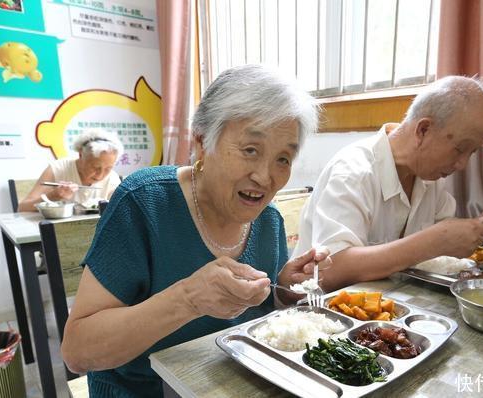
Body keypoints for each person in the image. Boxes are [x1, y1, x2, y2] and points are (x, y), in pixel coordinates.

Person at [61, 65, 328, 397]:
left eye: (283, 159)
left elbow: (256, 320)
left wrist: (283, 291)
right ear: (202, 142)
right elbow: (77, 351)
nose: (265, 176)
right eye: (250, 150)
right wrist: (188, 298)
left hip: (228, 385)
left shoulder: (268, 221)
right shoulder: (143, 203)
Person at [293, 75, 483, 292]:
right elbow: (330, 271)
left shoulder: (428, 179)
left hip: (390, 307)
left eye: (471, 153)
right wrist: (430, 243)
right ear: (423, 129)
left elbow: (449, 240)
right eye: (460, 149)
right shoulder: (352, 172)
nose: (461, 164)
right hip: (321, 313)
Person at [18, 128, 123, 211]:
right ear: (81, 155)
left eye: (108, 168)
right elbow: (22, 208)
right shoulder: (58, 168)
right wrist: (53, 196)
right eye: (95, 167)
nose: (100, 175)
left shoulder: (112, 179)